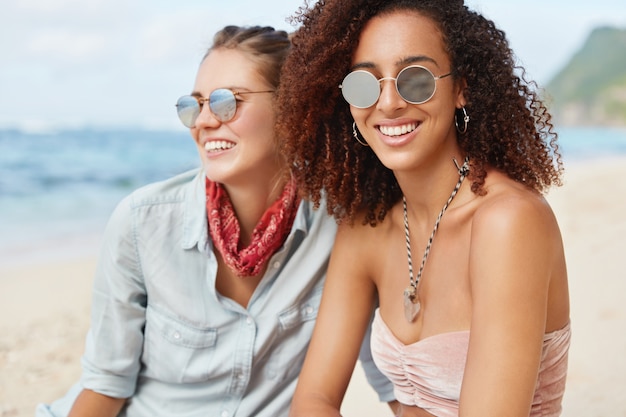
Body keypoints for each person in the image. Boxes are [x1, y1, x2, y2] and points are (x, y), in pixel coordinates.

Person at [36, 25, 394, 417]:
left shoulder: (344, 227)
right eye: (194, 105)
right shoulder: (141, 223)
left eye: (227, 102)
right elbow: (105, 387)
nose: (203, 121)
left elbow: (389, 378)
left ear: (294, 107)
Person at [276, 0, 571, 416]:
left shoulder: (509, 223)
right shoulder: (367, 228)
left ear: (461, 88)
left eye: (416, 80)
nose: (389, 103)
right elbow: (313, 401)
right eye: (364, 83)